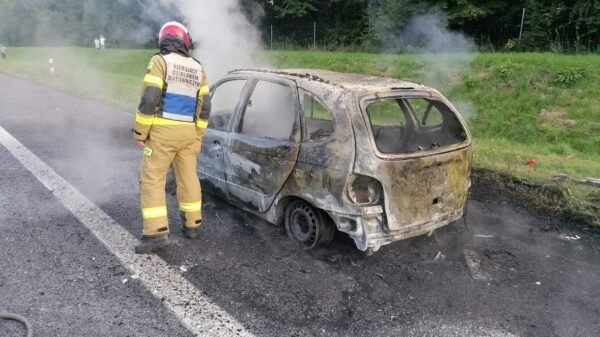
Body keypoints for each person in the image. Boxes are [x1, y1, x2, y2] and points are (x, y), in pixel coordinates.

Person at [132, 21, 211, 254]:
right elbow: (205, 105)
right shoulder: (198, 67)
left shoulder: (160, 61)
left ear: (164, 40)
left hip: (162, 133)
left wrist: (140, 132)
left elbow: (149, 99)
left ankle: (156, 233)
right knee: (188, 177)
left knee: (152, 178)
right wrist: (198, 134)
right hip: (188, 134)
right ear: (185, 41)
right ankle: (193, 225)